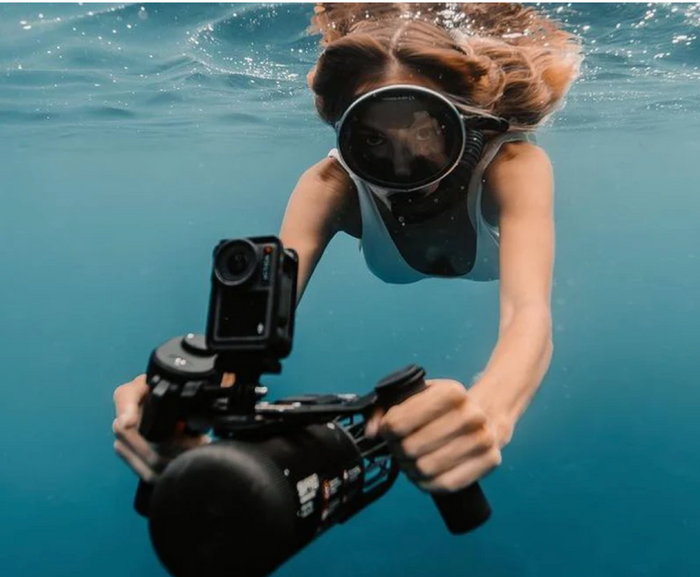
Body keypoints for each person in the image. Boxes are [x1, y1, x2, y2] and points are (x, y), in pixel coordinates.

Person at [114, 3, 582, 496]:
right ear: (345, 133)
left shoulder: (512, 163)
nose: (404, 166)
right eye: (374, 143)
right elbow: (254, 323)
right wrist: (185, 390)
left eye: (424, 133)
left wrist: (492, 410)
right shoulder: (329, 187)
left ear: (460, 120)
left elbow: (528, 314)